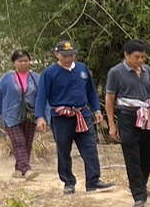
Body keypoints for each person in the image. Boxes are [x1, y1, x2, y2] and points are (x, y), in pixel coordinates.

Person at [34, 40, 111, 195]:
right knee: (63, 149)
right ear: (57, 55)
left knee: (89, 147)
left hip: (83, 114)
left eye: (71, 55)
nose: (69, 58)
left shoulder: (82, 69)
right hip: (61, 117)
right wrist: (40, 116)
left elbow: (91, 92)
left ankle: (93, 180)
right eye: (65, 55)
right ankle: (68, 182)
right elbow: (42, 96)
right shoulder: (49, 73)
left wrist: (96, 109)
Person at [104, 38, 150, 207]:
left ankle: (141, 184)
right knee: (132, 154)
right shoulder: (115, 72)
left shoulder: (147, 71)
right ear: (126, 55)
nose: (140, 61)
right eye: (137, 57)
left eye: (143, 57)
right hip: (128, 115)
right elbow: (110, 97)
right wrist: (111, 124)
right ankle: (138, 195)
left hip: (148, 114)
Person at [0, 50, 41, 180]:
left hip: (30, 115)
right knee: (19, 142)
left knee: (27, 143)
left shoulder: (36, 77)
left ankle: (19, 170)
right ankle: (27, 170)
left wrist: (44, 116)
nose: (23, 63)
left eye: (26, 60)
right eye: (20, 61)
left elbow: (42, 98)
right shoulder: (6, 79)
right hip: (11, 116)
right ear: (14, 63)